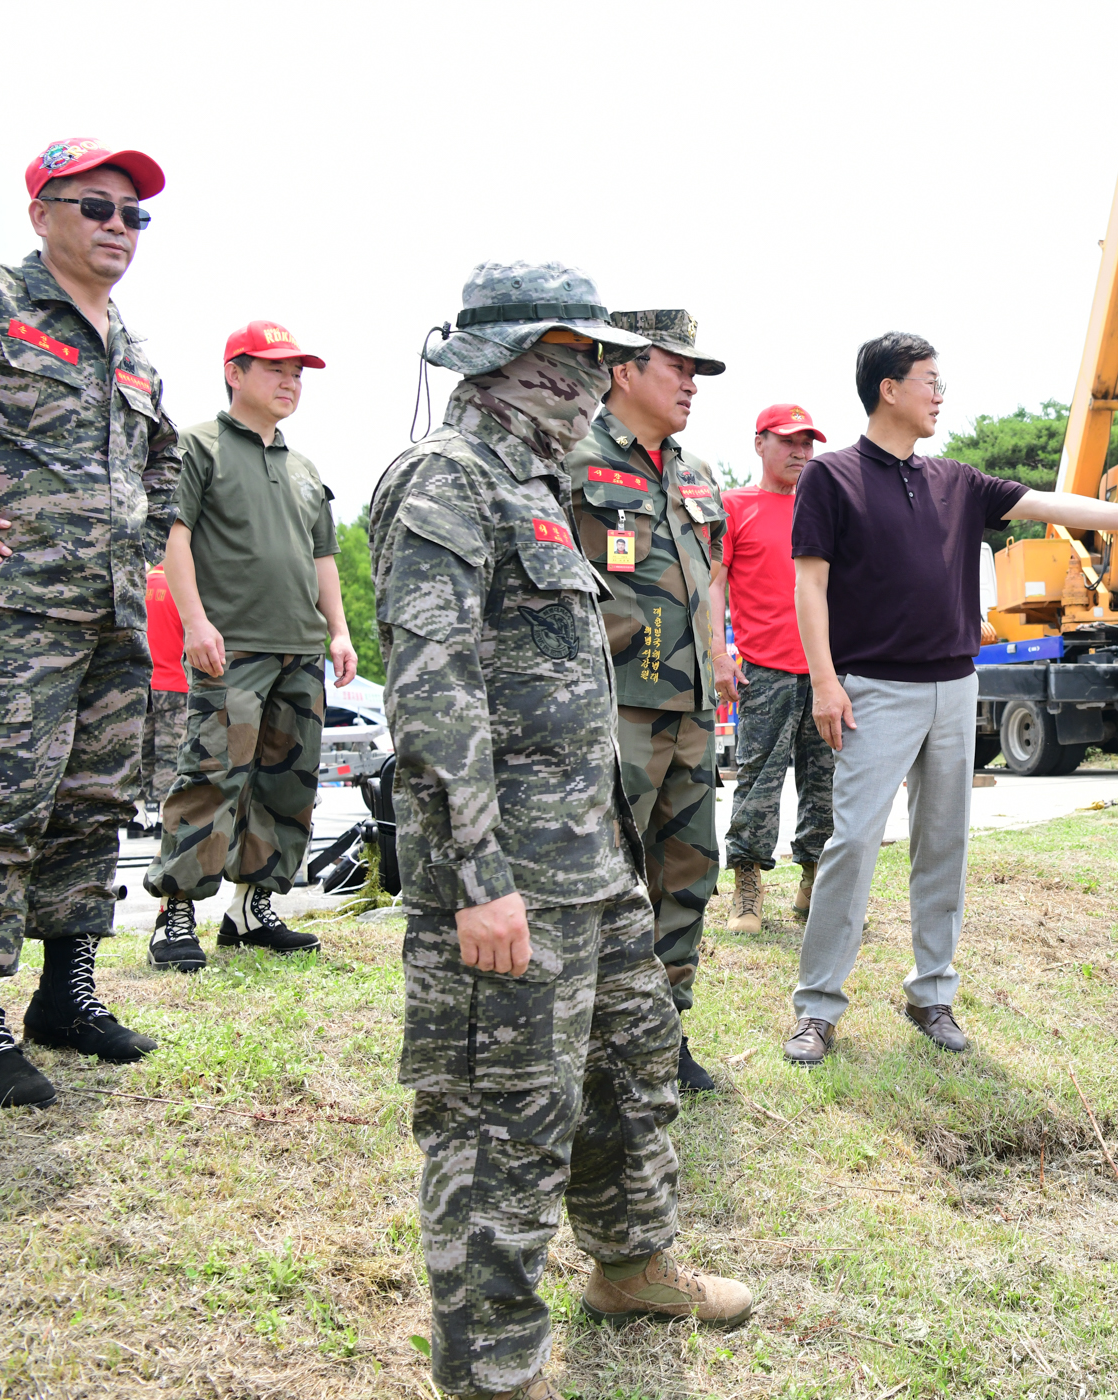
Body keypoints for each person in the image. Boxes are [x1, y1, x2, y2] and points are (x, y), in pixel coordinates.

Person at [369, 263, 749, 1400]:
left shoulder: (538, 486)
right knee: (504, 1129)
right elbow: (433, 698)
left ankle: (632, 1264)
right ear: (509, 358)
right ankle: (492, 1370)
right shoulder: (444, 481)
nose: (594, 379)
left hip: (593, 865)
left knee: (632, 1073)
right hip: (509, 883)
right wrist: (481, 878)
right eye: (576, 356)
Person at [782, 333, 1118, 1065]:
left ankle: (932, 996)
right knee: (853, 842)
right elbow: (810, 583)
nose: (940, 394)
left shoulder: (958, 480)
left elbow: (1047, 502)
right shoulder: (833, 477)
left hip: (955, 687)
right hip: (873, 690)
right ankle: (817, 1009)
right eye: (929, 381)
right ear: (889, 389)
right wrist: (824, 678)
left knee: (943, 845)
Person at [0, 138, 178, 1109]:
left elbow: (163, 464)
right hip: (9, 607)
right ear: (41, 207)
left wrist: (141, 547)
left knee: (91, 804)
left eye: (134, 215)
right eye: (96, 207)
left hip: (110, 617)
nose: (118, 229)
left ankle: (66, 992)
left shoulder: (132, 350)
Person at [143, 321, 352, 971]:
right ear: (234, 373)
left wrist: (339, 630)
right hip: (231, 648)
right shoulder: (197, 448)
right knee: (211, 777)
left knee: (288, 786)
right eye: (275, 369)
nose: (291, 382)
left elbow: (322, 557)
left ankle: (251, 909)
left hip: (300, 648)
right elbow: (175, 537)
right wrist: (197, 621)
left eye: (298, 373)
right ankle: (175, 913)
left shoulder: (304, 468)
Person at [563, 310, 729, 1097]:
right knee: (601, 875)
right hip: (612, 708)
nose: (691, 384)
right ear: (624, 369)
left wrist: (721, 654)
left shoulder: (695, 473)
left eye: (697, 373)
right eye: (678, 367)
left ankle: (662, 1033)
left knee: (687, 868)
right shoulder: (568, 459)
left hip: (691, 705)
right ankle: (586, 1039)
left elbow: (710, 580)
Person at [719, 403, 833, 937]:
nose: (801, 452)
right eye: (789, 441)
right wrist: (719, 653)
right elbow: (714, 584)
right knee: (758, 782)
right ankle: (747, 885)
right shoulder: (734, 506)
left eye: (808, 443)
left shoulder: (826, 507)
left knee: (827, 782)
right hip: (762, 670)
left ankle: (814, 881)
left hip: (826, 671)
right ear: (759, 443)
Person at [136, 560, 189, 835]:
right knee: (170, 754)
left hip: (144, 681)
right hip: (176, 683)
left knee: (142, 752)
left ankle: (137, 815)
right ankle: (163, 821)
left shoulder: (142, 584)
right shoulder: (181, 587)